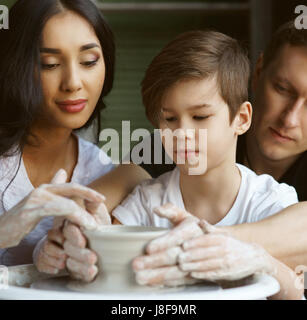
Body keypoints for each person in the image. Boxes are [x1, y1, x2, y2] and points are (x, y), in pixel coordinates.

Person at [35, 20, 307, 292]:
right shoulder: (146, 201)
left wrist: (251, 258)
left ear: (241, 118)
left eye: (200, 117)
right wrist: (73, 240)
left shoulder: (272, 201)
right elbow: (94, 243)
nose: (182, 134)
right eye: (170, 119)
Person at [0, 0, 120, 267]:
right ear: (14, 67)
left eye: (89, 61)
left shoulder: (101, 171)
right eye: (50, 64)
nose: (73, 83)